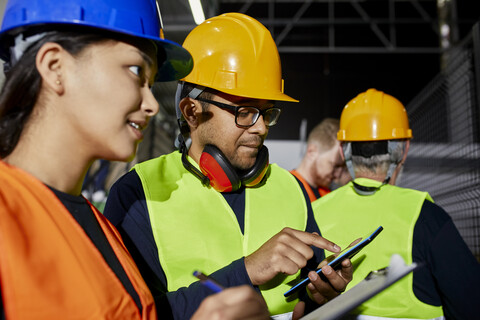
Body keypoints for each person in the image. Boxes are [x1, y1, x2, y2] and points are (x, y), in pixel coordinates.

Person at [0, 0, 271, 319]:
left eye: (151, 81)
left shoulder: (103, 232)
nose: (151, 104)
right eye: (135, 70)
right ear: (55, 67)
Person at [104, 12, 352, 320]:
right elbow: (131, 313)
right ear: (192, 112)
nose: (260, 128)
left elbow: (304, 299)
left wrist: (321, 298)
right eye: (245, 111)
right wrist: (246, 272)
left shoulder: (290, 188)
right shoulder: (138, 194)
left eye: (267, 113)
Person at [312, 88, 480, 319]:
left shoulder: (314, 211)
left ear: (344, 150)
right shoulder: (425, 215)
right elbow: (470, 305)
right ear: (403, 149)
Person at [291, 118, 346, 202]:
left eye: (343, 167)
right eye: (335, 166)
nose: (337, 175)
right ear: (311, 152)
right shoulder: (289, 188)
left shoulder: (327, 193)